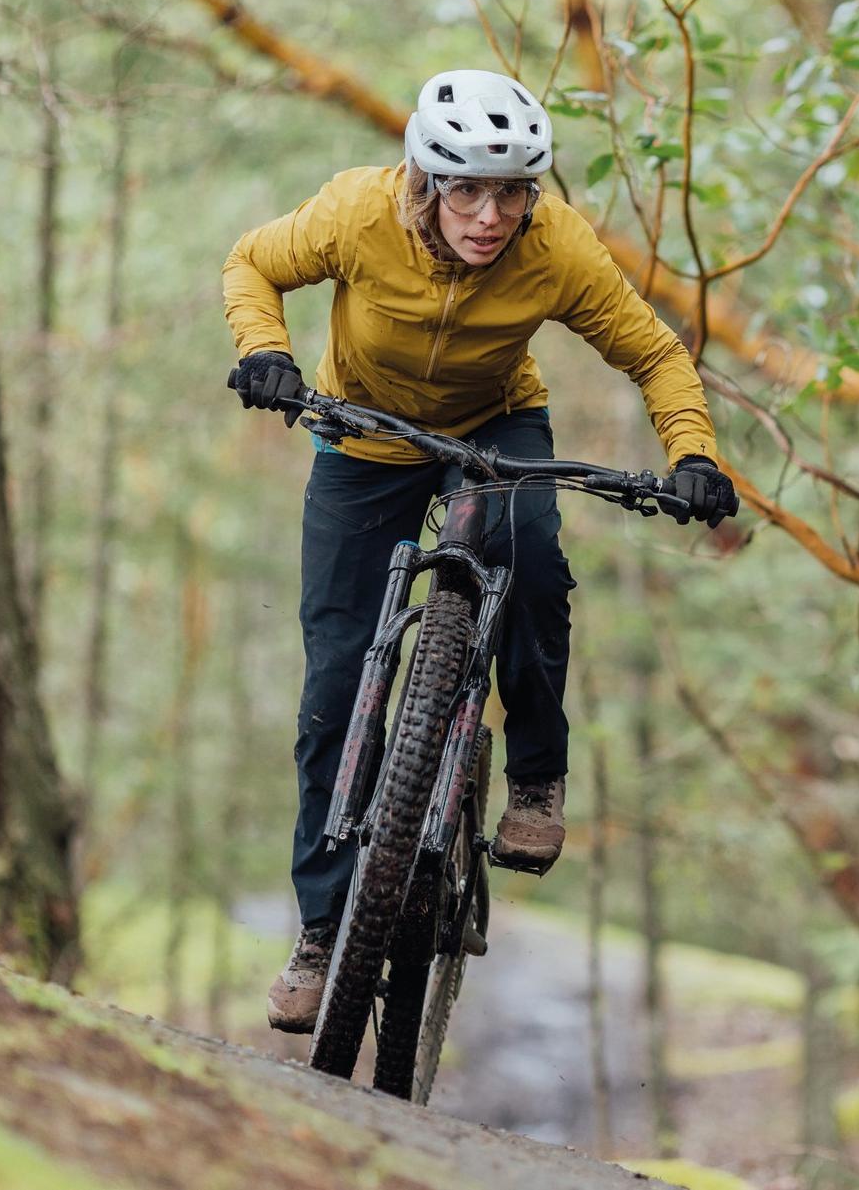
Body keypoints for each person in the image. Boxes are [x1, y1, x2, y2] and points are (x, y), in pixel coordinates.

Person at [222, 69, 737, 1033]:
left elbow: (656, 354)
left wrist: (692, 451)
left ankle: (536, 773)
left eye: (512, 192)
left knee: (534, 561)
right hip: (363, 433)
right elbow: (251, 264)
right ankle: (324, 930)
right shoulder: (353, 213)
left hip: (496, 426)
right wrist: (267, 350)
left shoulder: (557, 249)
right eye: (466, 188)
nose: (490, 215)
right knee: (334, 680)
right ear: (423, 180)